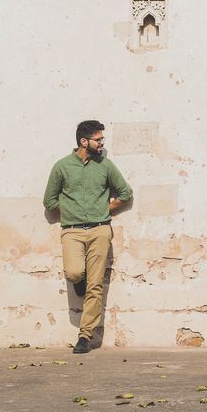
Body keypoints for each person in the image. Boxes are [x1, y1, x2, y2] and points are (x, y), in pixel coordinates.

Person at [43, 120, 133, 354]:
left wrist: (105, 209)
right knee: (74, 272)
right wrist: (72, 210)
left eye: (102, 139)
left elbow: (125, 193)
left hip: (100, 229)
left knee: (95, 286)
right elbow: (49, 201)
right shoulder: (62, 167)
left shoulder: (105, 166)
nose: (102, 143)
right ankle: (79, 278)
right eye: (98, 139)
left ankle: (85, 336)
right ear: (84, 142)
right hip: (72, 230)